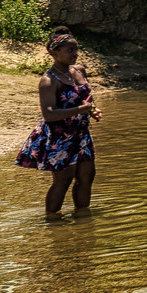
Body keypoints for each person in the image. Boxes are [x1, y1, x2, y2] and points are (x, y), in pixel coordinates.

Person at [17, 30, 102, 214]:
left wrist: (93, 110)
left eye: (76, 49)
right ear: (54, 53)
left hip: (81, 133)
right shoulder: (48, 81)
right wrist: (80, 110)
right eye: (69, 50)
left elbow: (86, 97)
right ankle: (52, 220)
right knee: (63, 181)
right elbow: (48, 115)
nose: (75, 54)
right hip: (59, 137)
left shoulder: (79, 71)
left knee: (87, 177)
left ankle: (82, 219)